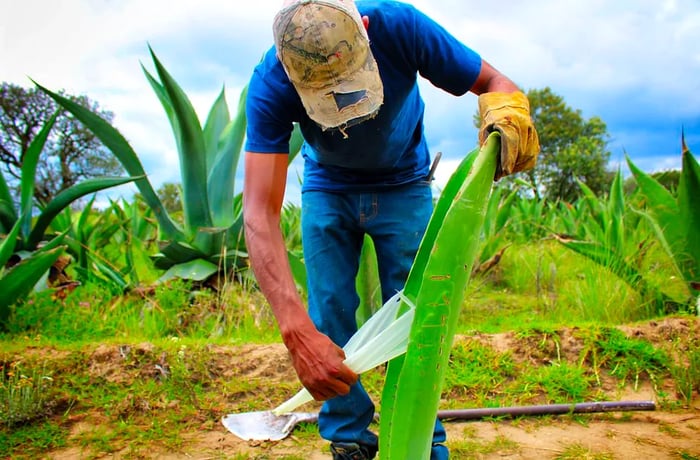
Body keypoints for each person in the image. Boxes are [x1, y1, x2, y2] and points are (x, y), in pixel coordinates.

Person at [242, 0, 540, 458]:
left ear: (364, 30)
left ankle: (421, 442)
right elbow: (259, 214)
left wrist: (507, 112)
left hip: (404, 181)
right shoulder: (271, 82)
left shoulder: (400, 26)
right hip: (328, 185)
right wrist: (295, 332)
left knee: (419, 316)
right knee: (329, 312)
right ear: (288, 67)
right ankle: (349, 440)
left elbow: (494, 82)